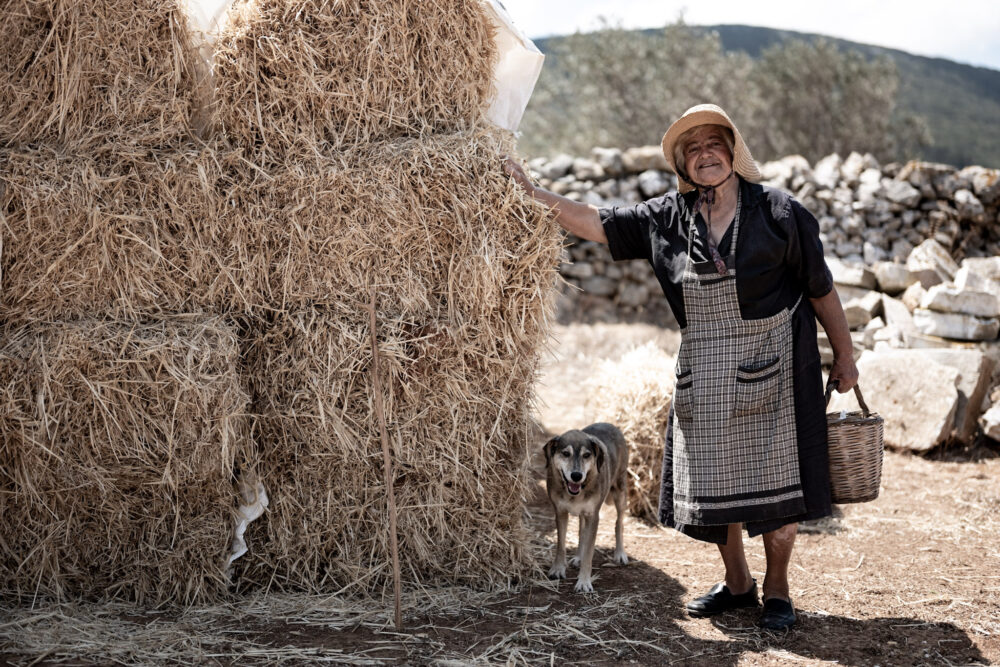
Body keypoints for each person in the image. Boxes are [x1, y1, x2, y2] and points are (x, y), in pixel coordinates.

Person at [506, 104, 858, 630]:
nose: (703, 155)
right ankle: (739, 585)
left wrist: (845, 356)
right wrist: (531, 194)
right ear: (682, 165)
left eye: (713, 143)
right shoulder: (667, 216)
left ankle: (778, 589)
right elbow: (595, 222)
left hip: (778, 366)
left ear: (733, 152)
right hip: (706, 368)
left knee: (781, 487)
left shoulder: (779, 212)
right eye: (691, 150)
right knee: (716, 484)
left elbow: (820, 289)